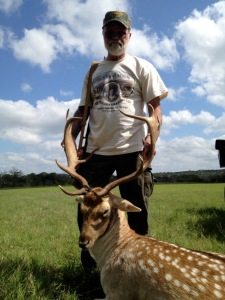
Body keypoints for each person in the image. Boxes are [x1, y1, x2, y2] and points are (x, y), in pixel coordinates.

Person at [71, 11, 168, 270]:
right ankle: (92, 271)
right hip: (95, 153)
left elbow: (155, 109)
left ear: (129, 35)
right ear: (102, 34)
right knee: (88, 213)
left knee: (136, 213)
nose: (115, 36)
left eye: (120, 32)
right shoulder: (93, 70)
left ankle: (138, 270)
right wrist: (70, 144)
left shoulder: (142, 66)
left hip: (132, 150)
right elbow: (82, 113)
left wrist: (152, 138)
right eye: (109, 32)